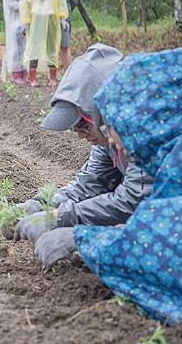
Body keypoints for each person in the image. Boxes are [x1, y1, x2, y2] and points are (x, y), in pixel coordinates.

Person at [40, 49, 182, 324]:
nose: (82, 135)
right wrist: (46, 203)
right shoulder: (159, 141)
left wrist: (79, 236)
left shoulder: (149, 139)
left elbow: (161, 237)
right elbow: (96, 184)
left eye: (89, 125)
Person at [12, 44, 153, 245]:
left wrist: (67, 224)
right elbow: (90, 184)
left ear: (104, 110)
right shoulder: (108, 139)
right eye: (75, 128)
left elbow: (132, 201)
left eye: (83, 125)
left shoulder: (145, 129)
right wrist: (42, 204)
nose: (81, 136)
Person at [19, 0, 69, 87]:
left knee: (51, 47)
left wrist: (62, 18)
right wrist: (25, 21)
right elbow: (25, 4)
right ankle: (32, 78)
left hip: (51, 20)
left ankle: (53, 78)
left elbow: (61, 2)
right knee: (33, 47)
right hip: (35, 21)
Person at [3, 0, 27, 84]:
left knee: (22, 48)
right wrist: (26, 5)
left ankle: (22, 71)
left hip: (21, 22)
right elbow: (13, 4)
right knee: (15, 49)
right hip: (15, 22)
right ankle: (16, 73)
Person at [58, 0, 79, 69]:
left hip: (64, 20)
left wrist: (66, 11)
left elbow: (74, 0)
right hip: (49, 20)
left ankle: (67, 74)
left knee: (64, 47)